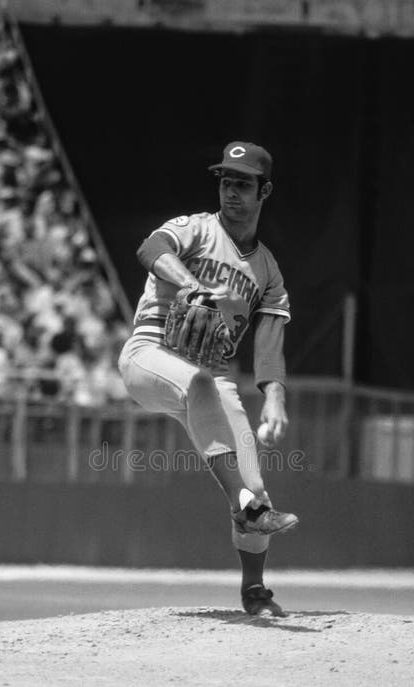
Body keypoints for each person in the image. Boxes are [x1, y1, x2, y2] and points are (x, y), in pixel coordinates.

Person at [118, 141, 298, 617]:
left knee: (258, 489)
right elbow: (151, 248)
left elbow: (268, 343)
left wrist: (275, 399)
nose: (231, 191)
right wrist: (193, 284)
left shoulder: (267, 271)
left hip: (210, 376)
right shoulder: (195, 228)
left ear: (265, 190)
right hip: (150, 355)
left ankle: (254, 592)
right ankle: (240, 500)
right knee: (199, 383)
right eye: (225, 181)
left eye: (243, 183)